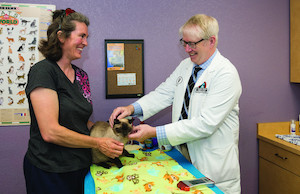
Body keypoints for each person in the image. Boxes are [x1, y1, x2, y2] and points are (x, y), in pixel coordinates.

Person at [109, 14, 242, 194]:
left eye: (192, 43)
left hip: (211, 166)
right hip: (183, 156)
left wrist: (155, 133)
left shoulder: (225, 74)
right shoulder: (186, 66)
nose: (187, 49)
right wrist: (131, 109)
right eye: (184, 42)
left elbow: (205, 124)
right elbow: (163, 94)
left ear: (211, 41)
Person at [23, 8, 124, 194]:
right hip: (50, 170)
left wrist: (113, 136)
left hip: (80, 166)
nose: (85, 43)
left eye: (87, 37)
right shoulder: (43, 72)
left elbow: (82, 121)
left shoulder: (81, 76)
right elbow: (50, 132)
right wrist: (97, 143)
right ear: (61, 37)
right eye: (81, 36)